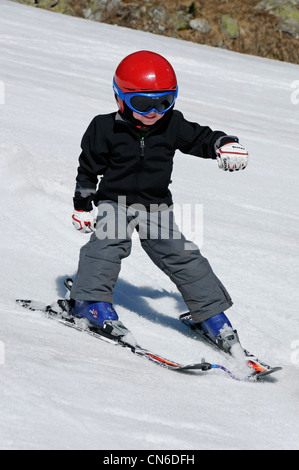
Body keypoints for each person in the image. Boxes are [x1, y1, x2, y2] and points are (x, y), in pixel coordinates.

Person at [70, 50, 249, 353]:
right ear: (120, 99)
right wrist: (81, 206)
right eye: (142, 103)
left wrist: (223, 143)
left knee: (183, 255)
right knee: (108, 246)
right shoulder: (103, 128)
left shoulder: (172, 124)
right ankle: (89, 302)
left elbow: (201, 138)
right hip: (115, 201)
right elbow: (87, 170)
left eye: (164, 102)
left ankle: (212, 315)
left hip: (156, 205)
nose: (154, 112)